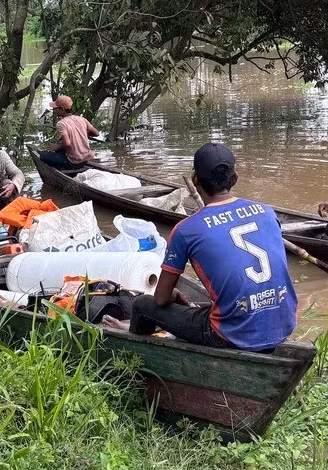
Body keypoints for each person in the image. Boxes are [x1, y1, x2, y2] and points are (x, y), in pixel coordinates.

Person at [105, 143, 298, 352]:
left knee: (142, 304)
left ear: (195, 180)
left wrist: (173, 295)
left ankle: (132, 336)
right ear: (234, 178)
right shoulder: (267, 212)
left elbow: (160, 298)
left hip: (227, 335)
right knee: (214, 306)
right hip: (285, 323)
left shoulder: (186, 229)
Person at [39, 95, 99, 169]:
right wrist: (82, 133)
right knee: (60, 152)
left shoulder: (61, 123)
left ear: (62, 110)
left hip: (73, 162)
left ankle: (62, 168)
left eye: (56, 109)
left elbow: (67, 144)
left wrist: (57, 147)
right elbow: (96, 133)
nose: (55, 111)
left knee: (43, 155)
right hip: (85, 159)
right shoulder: (81, 119)